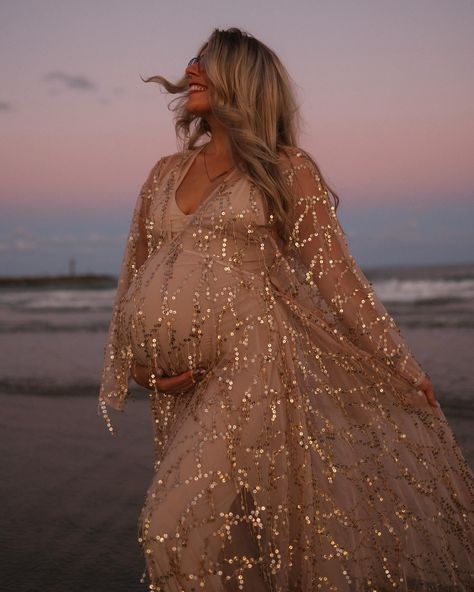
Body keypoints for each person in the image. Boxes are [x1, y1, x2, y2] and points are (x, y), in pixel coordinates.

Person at [98, 27, 474, 591]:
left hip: (255, 364)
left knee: (169, 524)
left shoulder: (286, 168)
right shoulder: (163, 173)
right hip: (183, 385)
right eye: (194, 59)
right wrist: (139, 364)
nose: (192, 68)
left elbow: (338, 278)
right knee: (229, 537)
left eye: (208, 61)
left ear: (244, 79)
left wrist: (401, 363)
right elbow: (137, 278)